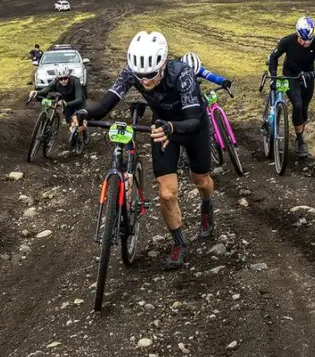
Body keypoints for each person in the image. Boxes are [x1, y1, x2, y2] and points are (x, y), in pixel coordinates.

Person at [73, 31, 215, 271]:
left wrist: (173, 127)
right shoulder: (131, 72)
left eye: (150, 75)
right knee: (167, 194)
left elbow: (193, 120)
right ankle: (179, 242)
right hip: (162, 126)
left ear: (163, 64)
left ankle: (207, 204)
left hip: (191, 126)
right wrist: (84, 114)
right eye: (140, 76)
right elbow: (106, 103)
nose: (145, 81)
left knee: (201, 180)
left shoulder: (183, 74)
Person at [266, 16, 315, 159]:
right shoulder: (287, 41)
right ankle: (300, 140)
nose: (306, 43)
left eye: (309, 40)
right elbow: (273, 58)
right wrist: (274, 76)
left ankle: (299, 133)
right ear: (297, 34)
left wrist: (309, 75)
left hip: (307, 75)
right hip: (290, 74)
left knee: (304, 110)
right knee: (297, 105)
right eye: (302, 40)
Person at [29, 64, 86, 130]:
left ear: (68, 76)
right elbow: (46, 89)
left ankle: (84, 135)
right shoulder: (55, 81)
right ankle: (73, 136)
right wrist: (36, 92)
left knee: (80, 122)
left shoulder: (75, 81)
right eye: (60, 79)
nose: (63, 81)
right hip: (66, 102)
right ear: (58, 78)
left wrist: (67, 104)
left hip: (78, 102)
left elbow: (79, 99)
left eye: (65, 78)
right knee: (70, 122)